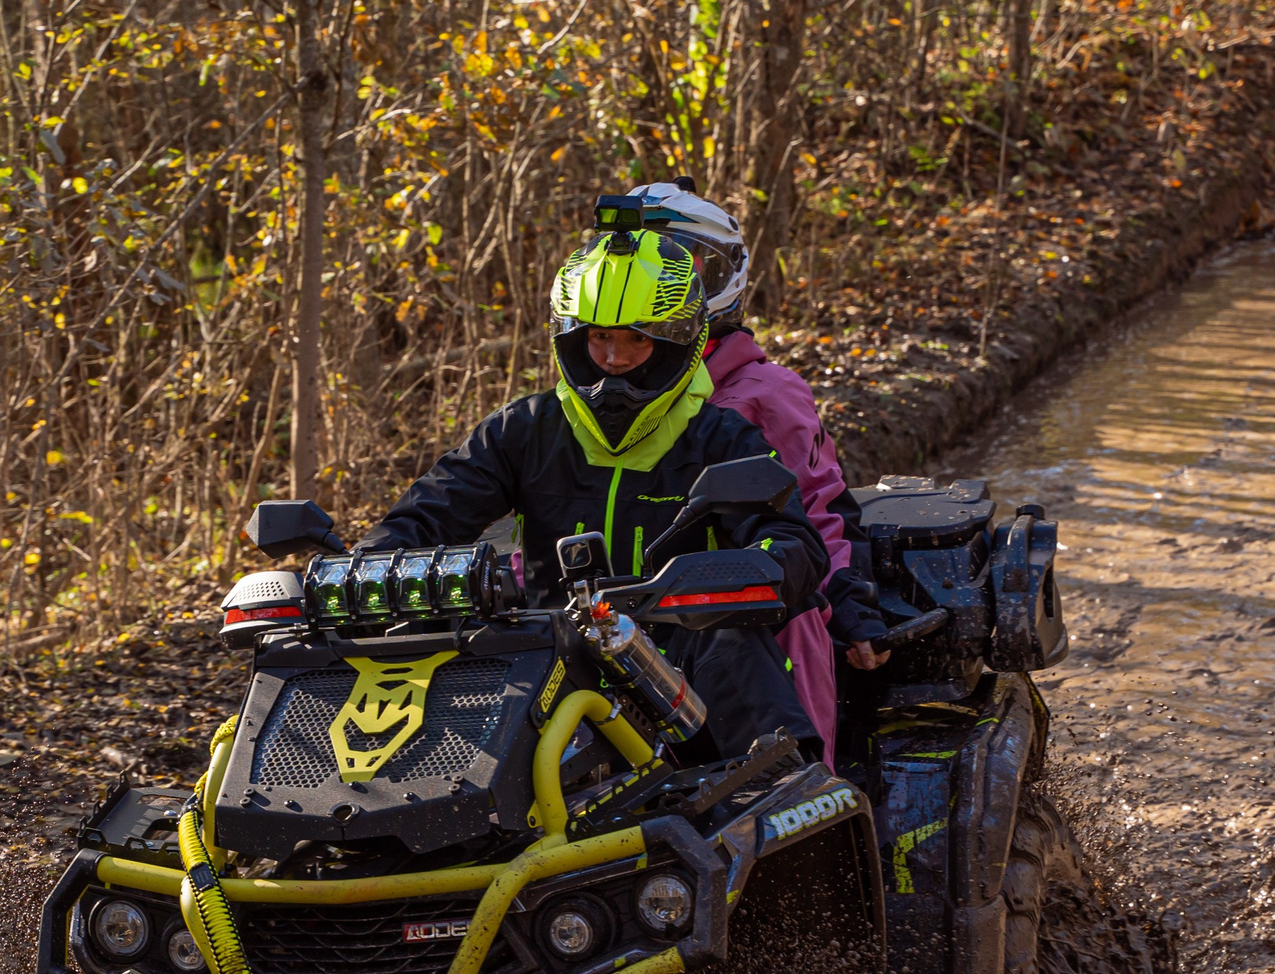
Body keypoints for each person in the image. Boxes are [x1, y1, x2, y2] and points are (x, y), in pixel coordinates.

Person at [354, 206, 827, 759]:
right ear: (571, 336)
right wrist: (366, 565)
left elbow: (794, 541)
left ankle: (784, 806)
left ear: (677, 341)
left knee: (732, 640)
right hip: (543, 669)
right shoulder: (523, 429)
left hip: (682, 675)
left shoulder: (723, 438)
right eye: (600, 337)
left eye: (636, 341)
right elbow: (426, 514)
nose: (612, 359)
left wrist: (742, 570)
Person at [619, 179, 889, 766]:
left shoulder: (764, 394)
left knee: (792, 652)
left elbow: (819, 506)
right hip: (626, 614)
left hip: (754, 612)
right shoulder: (595, 395)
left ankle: (814, 799)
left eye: (678, 266)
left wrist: (850, 603)